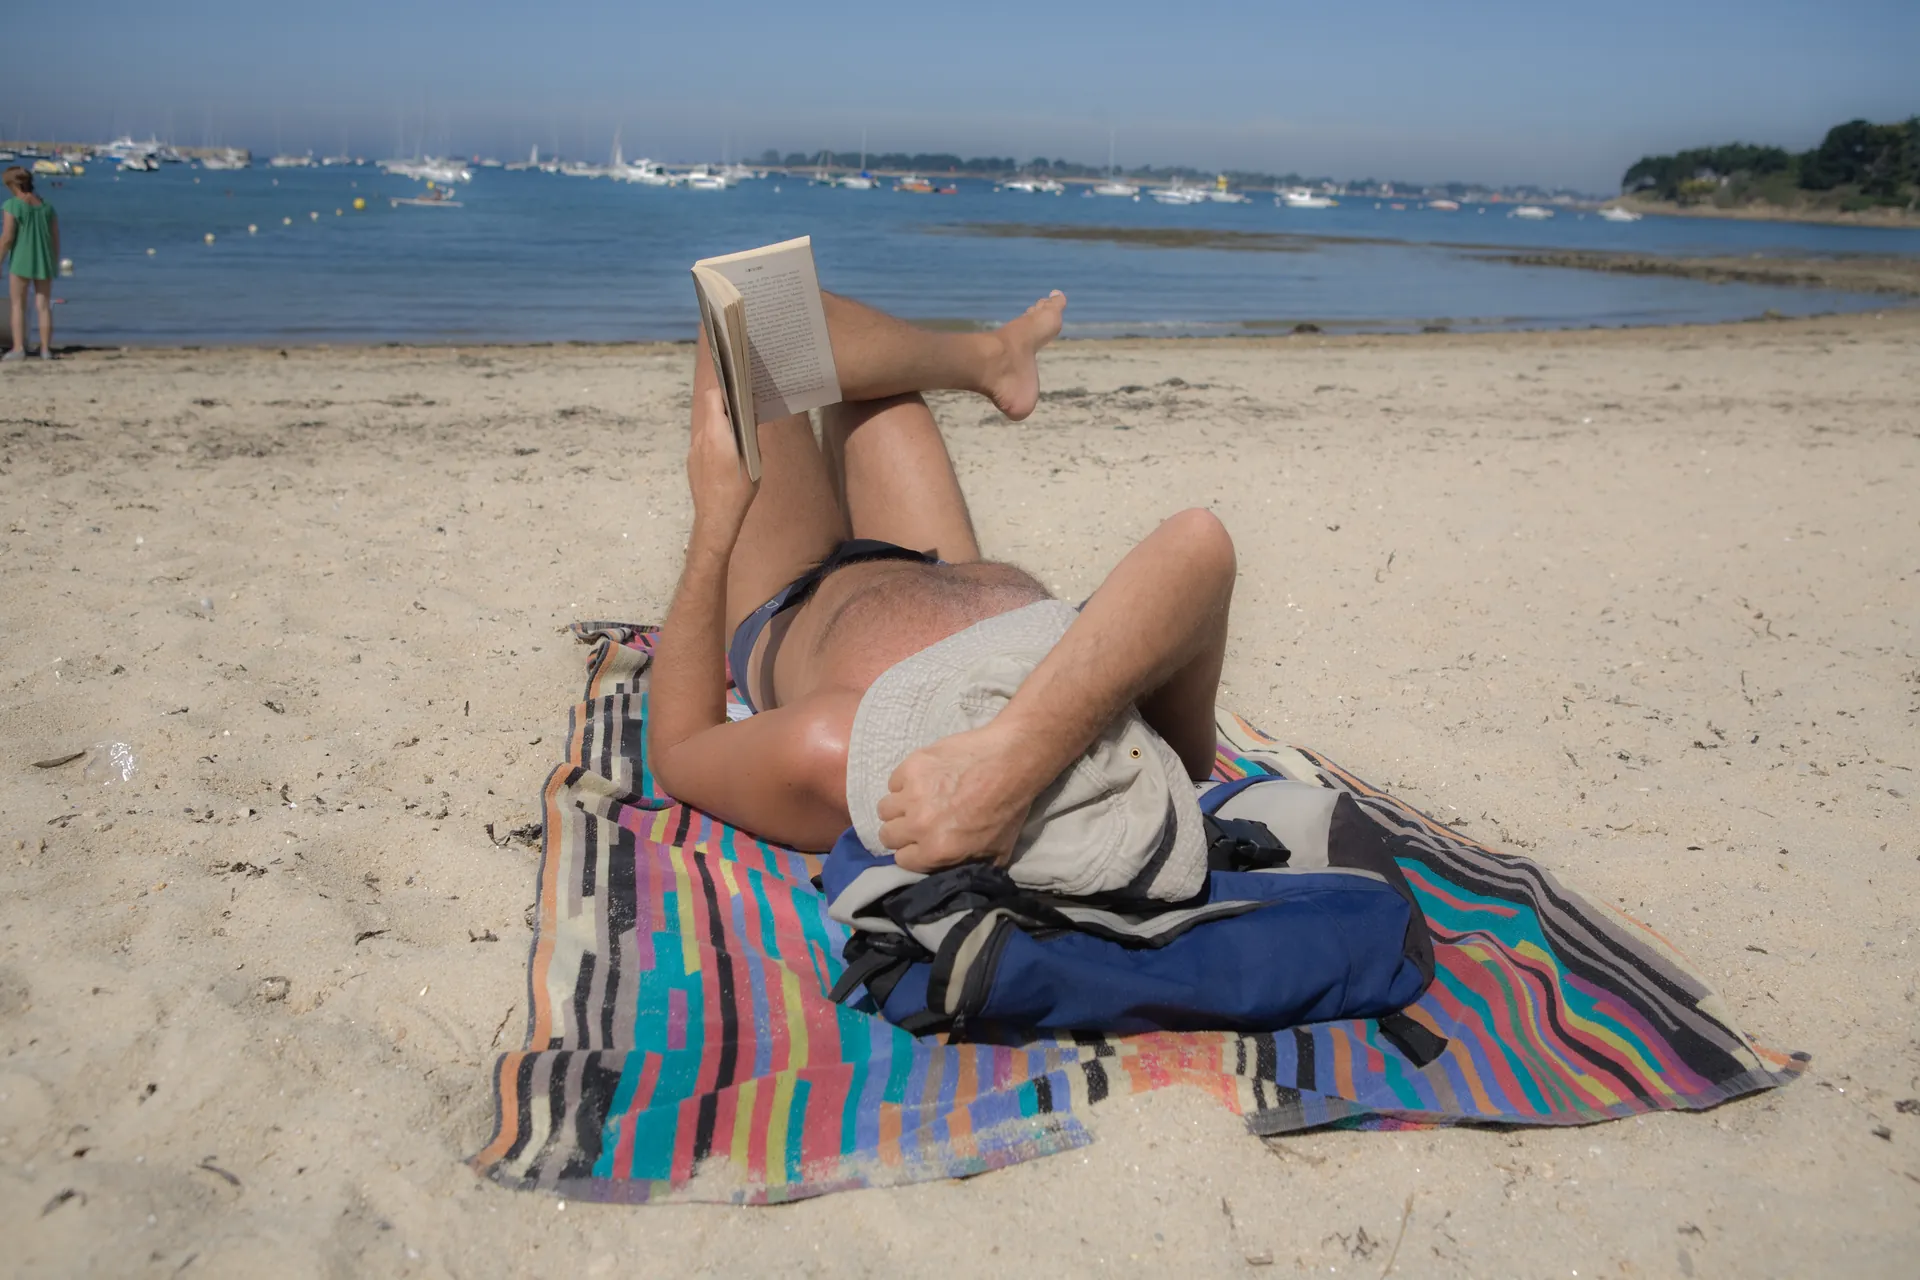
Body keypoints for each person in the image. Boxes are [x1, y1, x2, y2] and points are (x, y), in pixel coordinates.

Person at [647, 290, 1238, 870]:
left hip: (792, 598)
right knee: (851, 363)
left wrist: (716, 519)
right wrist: (1011, 765)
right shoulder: (1127, 726)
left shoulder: (840, 752)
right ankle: (991, 357)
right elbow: (1199, 543)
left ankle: (986, 358)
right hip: (943, 564)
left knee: (750, 323)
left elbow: (679, 751)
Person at [1, 166, 59, 361]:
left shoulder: (12, 205)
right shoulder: (47, 207)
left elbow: (7, 237)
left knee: (18, 305)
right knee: (43, 306)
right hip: (44, 260)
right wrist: (54, 261)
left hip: (21, 260)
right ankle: (45, 350)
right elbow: (55, 238)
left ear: (11, 185)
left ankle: (19, 348)